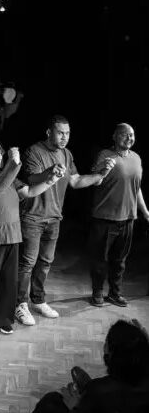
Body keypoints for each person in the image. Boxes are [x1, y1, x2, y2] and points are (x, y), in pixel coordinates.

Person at [0, 318, 149, 413]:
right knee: (53, 401)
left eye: (107, 345)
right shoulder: (141, 381)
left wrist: (75, 406)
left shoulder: (100, 390)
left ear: (113, 355)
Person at [15, 115, 116, 326]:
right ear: (49, 132)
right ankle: (20, 304)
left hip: (54, 217)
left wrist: (100, 175)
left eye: (67, 133)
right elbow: (31, 179)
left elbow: (76, 181)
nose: (64, 137)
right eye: (60, 132)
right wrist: (49, 172)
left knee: (45, 262)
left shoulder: (67, 154)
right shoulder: (34, 151)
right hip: (33, 216)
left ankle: (38, 300)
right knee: (27, 263)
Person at [0, 141, 64, 340]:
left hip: (13, 235)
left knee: (7, 282)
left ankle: (3, 319)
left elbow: (29, 192)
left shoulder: (10, 177)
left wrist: (52, 179)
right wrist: (14, 166)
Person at [89, 123, 149, 307]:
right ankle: (97, 293)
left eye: (132, 135)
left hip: (128, 218)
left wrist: (145, 212)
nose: (129, 138)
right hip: (105, 218)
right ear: (115, 136)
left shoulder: (137, 158)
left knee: (120, 261)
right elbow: (95, 181)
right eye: (124, 135)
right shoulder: (105, 155)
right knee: (100, 260)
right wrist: (103, 170)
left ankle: (115, 293)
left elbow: (136, 188)